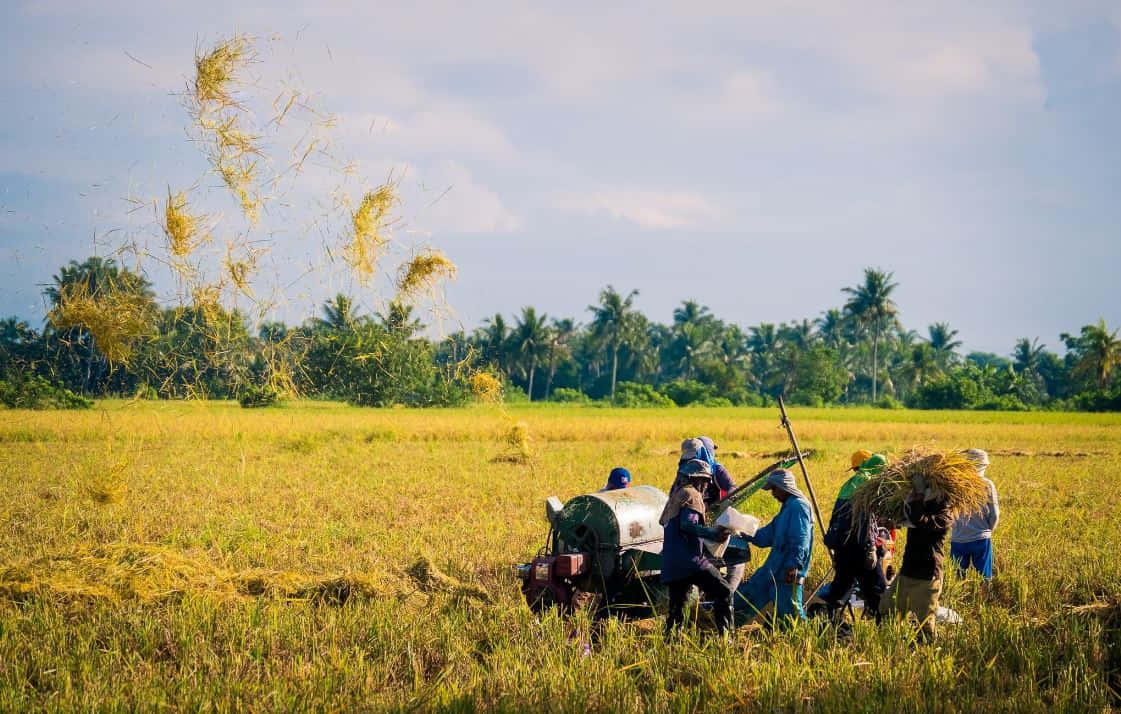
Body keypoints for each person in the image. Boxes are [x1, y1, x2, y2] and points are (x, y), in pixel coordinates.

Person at [659, 459, 735, 637]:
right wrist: (712, 534)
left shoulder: (676, 495)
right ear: (696, 479)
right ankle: (726, 637)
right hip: (691, 561)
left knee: (677, 609)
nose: (707, 485)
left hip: (672, 563)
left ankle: (671, 644)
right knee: (724, 590)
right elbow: (687, 525)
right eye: (705, 480)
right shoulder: (691, 494)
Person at [814, 451, 889, 623]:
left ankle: (827, 624)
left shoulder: (849, 484)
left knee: (840, 589)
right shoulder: (867, 484)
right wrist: (870, 547)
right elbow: (865, 521)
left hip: (843, 548)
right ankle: (882, 626)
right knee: (877, 589)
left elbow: (836, 517)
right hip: (860, 549)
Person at [737, 469, 814, 625]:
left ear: (784, 487)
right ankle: (726, 626)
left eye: (774, 489)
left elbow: (800, 540)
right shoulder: (787, 508)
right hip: (773, 569)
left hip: (787, 571)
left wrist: (793, 566)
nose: (773, 494)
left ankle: (802, 638)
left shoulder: (799, 507)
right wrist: (742, 532)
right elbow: (767, 535)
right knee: (746, 596)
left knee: (790, 612)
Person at [883, 473, 952, 640]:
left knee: (925, 624)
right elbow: (910, 517)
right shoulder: (919, 508)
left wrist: (919, 494)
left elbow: (920, 520)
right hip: (908, 571)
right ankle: (893, 643)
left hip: (927, 575)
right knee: (887, 608)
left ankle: (926, 651)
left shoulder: (945, 515)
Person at [679, 436, 745, 592]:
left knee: (733, 558)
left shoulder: (717, 470)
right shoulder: (685, 471)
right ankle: (720, 593)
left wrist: (720, 505)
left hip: (715, 517)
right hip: (694, 520)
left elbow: (732, 489)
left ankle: (726, 591)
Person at [950, 449, 999, 579]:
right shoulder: (987, 484)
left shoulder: (955, 484)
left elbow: (948, 513)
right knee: (984, 577)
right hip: (980, 538)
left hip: (958, 539)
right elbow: (994, 514)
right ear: (983, 466)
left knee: (958, 576)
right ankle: (984, 596)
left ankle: (958, 597)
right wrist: (989, 529)